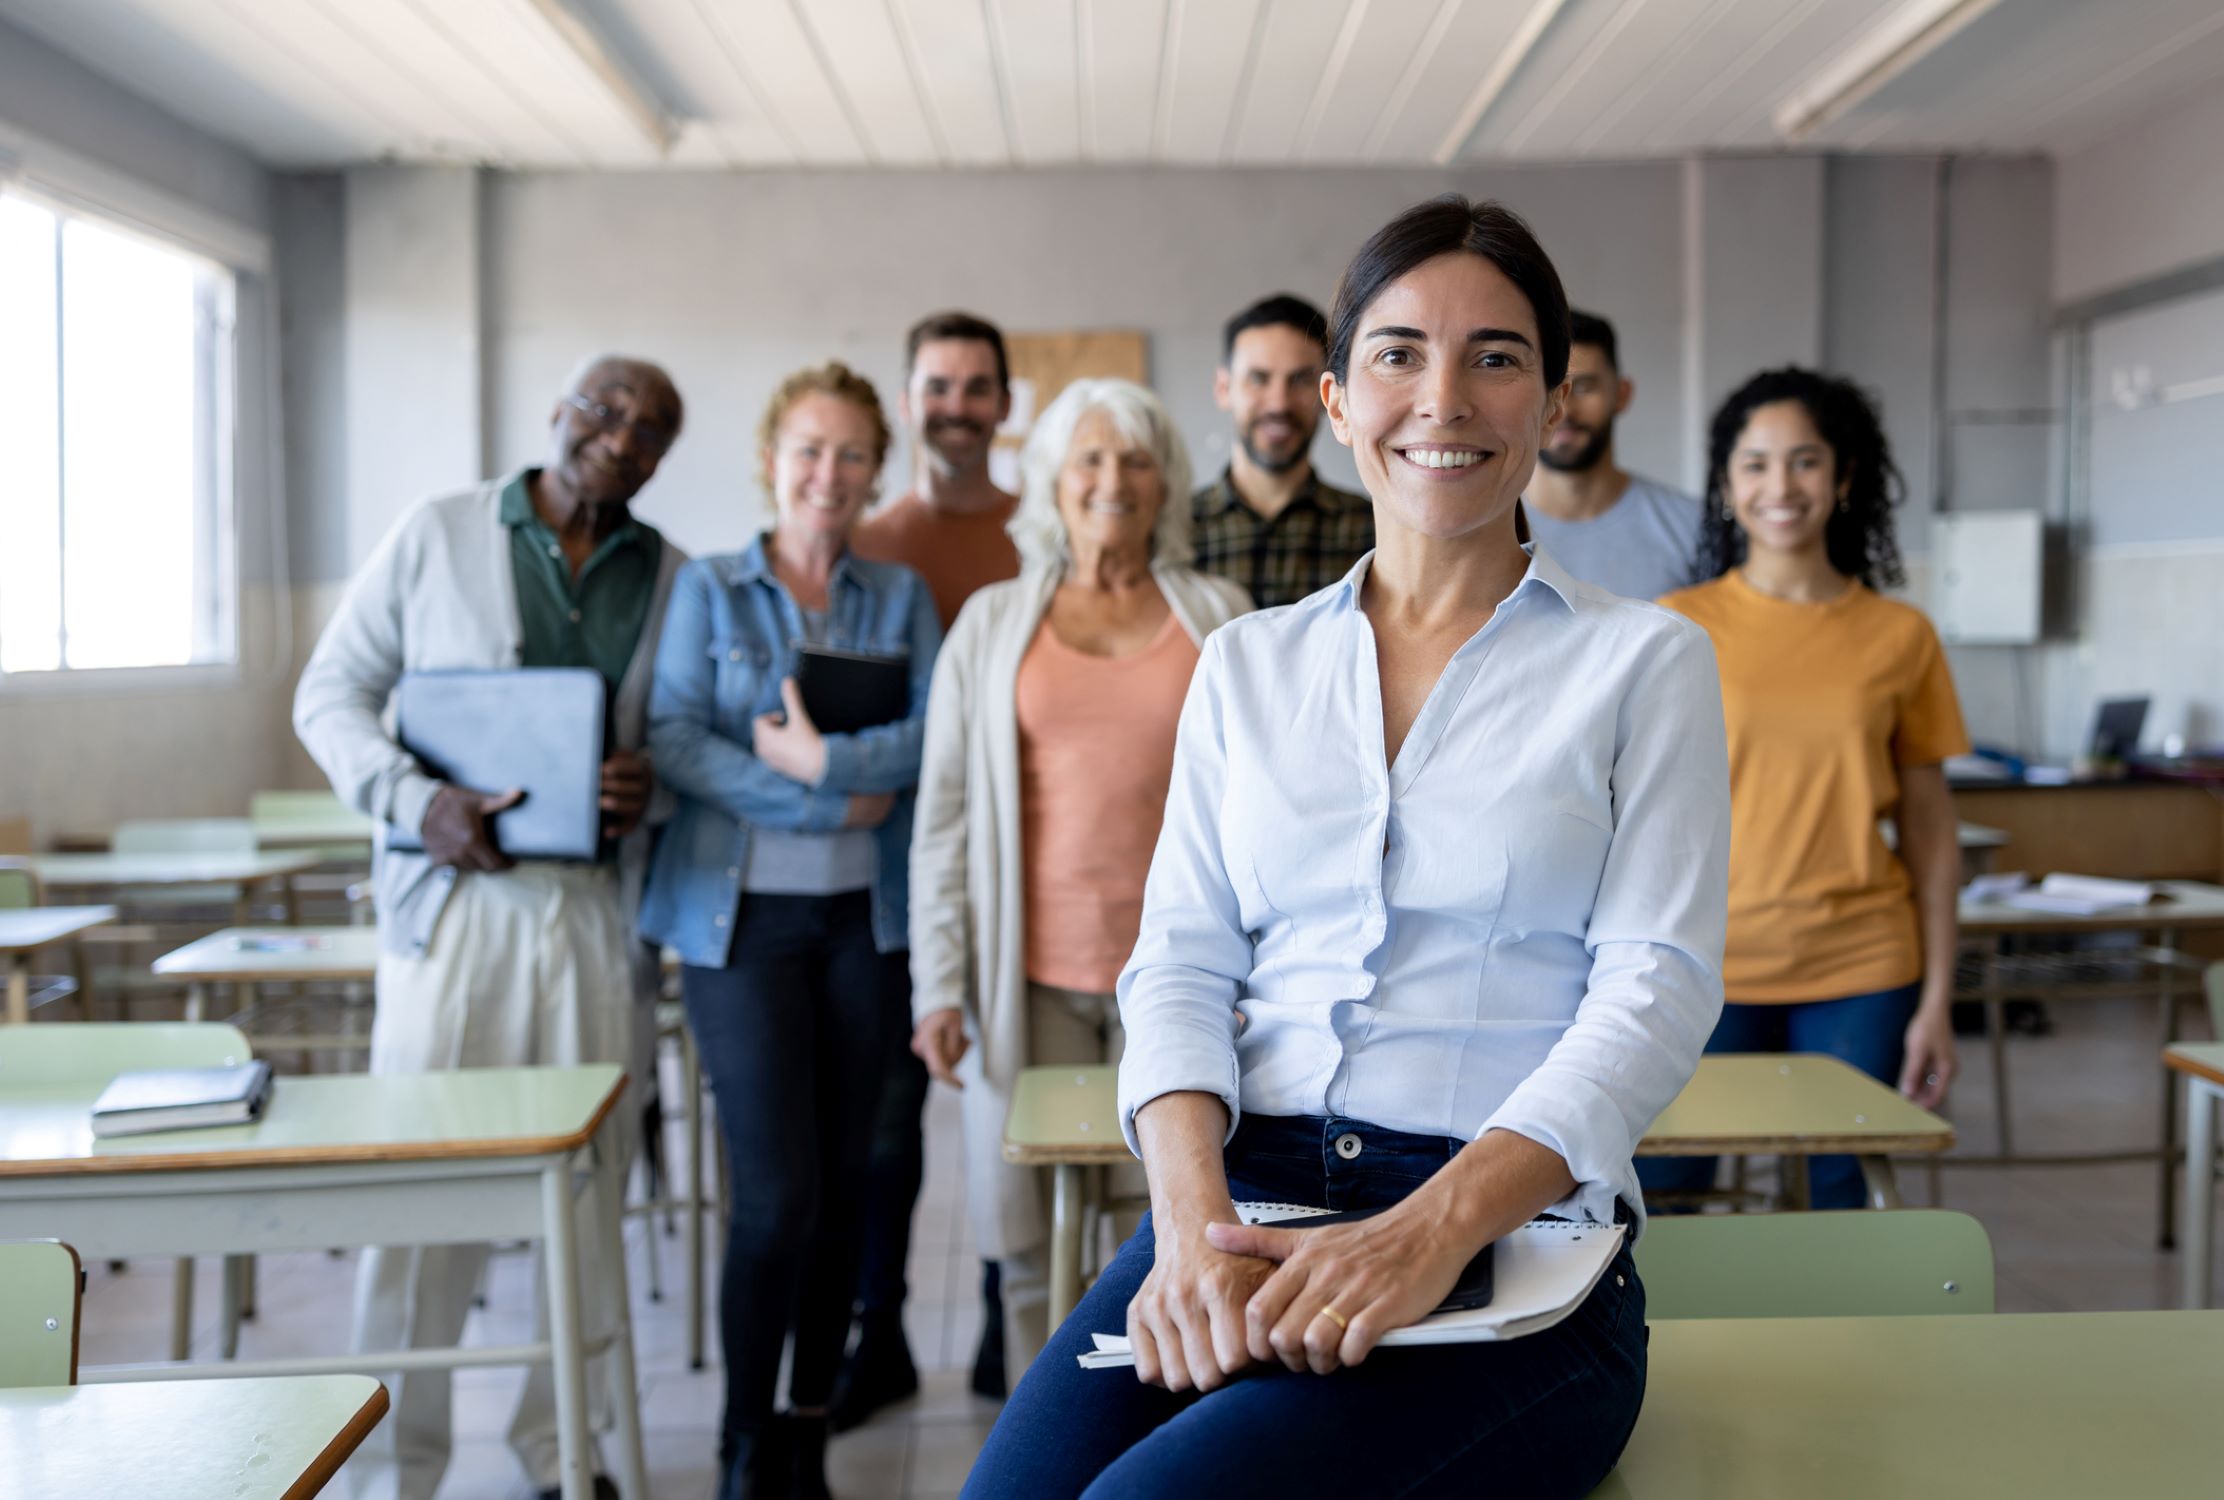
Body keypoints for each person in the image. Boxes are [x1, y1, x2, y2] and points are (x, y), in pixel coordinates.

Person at [963, 196, 1730, 1499]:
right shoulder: (1248, 665)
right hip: (1238, 1203)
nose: (1445, 399)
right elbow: (1183, 964)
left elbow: (1654, 987)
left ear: (1554, 405)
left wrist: (1425, 1232)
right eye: (1398, 355)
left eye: (1497, 357)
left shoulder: (1644, 661)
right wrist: (1190, 1236)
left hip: (1512, 1249)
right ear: (1334, 400)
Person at [294, 356, 688, 1500]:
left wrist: (643, 787)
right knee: (418, 1194)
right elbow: (329, 695)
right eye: (601, 410)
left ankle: (561, 1452)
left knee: (586, 1189)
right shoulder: (438, 532)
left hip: (589, 912)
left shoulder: (665, 574)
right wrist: (417, 800)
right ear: (556, 415)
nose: (618, 437)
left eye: (648, 428)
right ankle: (391, 1470)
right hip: (453, 905)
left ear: (662, 458)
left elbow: (676, 744)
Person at [908, 377, 1251, 1392]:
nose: (1113, 480)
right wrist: (937, 983)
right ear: (1051, 483)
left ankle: (1150, 1438)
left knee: (1174, 1229)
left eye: (1137, 459)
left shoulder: (1219, 618)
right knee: (1025, 1235)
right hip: (1031, 981)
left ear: (1166, 485)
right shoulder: (989, 624)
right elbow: (943, 821)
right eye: (1089, 459)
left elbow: (1264, 820)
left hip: (1184, 987)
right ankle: (1042, 1432)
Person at [636, 362, 939, 1500]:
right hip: (741, 929)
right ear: (771, 460)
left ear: (876, 470)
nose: (829, 474)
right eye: (809, 451)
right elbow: (672, 737)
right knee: (776, 1198)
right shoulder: (711, 590)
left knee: (851, 1184)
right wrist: (820, 795)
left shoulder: (899, 596)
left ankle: (807, 1432)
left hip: (866, 924)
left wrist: (825, 758)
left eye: (853, 454)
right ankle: (742, 1442)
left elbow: (928, 736)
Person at [1641, 367, 1965, 1212]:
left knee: (1843, 1199)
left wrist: (1938, 999)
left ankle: (1853, 1355)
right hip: (1701, 963)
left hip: (1862, 962)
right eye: (1754, 464)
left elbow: (1932, 830)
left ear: (1844, 478)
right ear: (1725, 485)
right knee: (1663, 1199)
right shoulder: (1675, 625)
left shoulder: (1901, 635)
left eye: (1805, 461)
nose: (1779, 486)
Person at [838, 312, 1024, 1425]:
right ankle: (880, 1333)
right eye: (936, 387)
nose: (956, 406)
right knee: (882, 1127)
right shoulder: (872, 546)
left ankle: (1011, 1315)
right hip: (889, 881)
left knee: (1004, 1113)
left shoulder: (1038, 533)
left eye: (976, 387)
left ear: (1004, 404)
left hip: (1006, 877)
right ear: (909, 402)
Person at [1190, 293, 1373, 609]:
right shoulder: (1175, 529)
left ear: (1328, 394)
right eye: (1258, 379)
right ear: (1224, 388)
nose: (1279, 403)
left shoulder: (1371, 530)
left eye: (1300, 380)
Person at [1521, 309, 1704, 600]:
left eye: (1583, 387)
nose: (1564, 410)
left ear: (1622, 394)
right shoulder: (1483, 527)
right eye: (1550, 388)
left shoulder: (1693, 526)